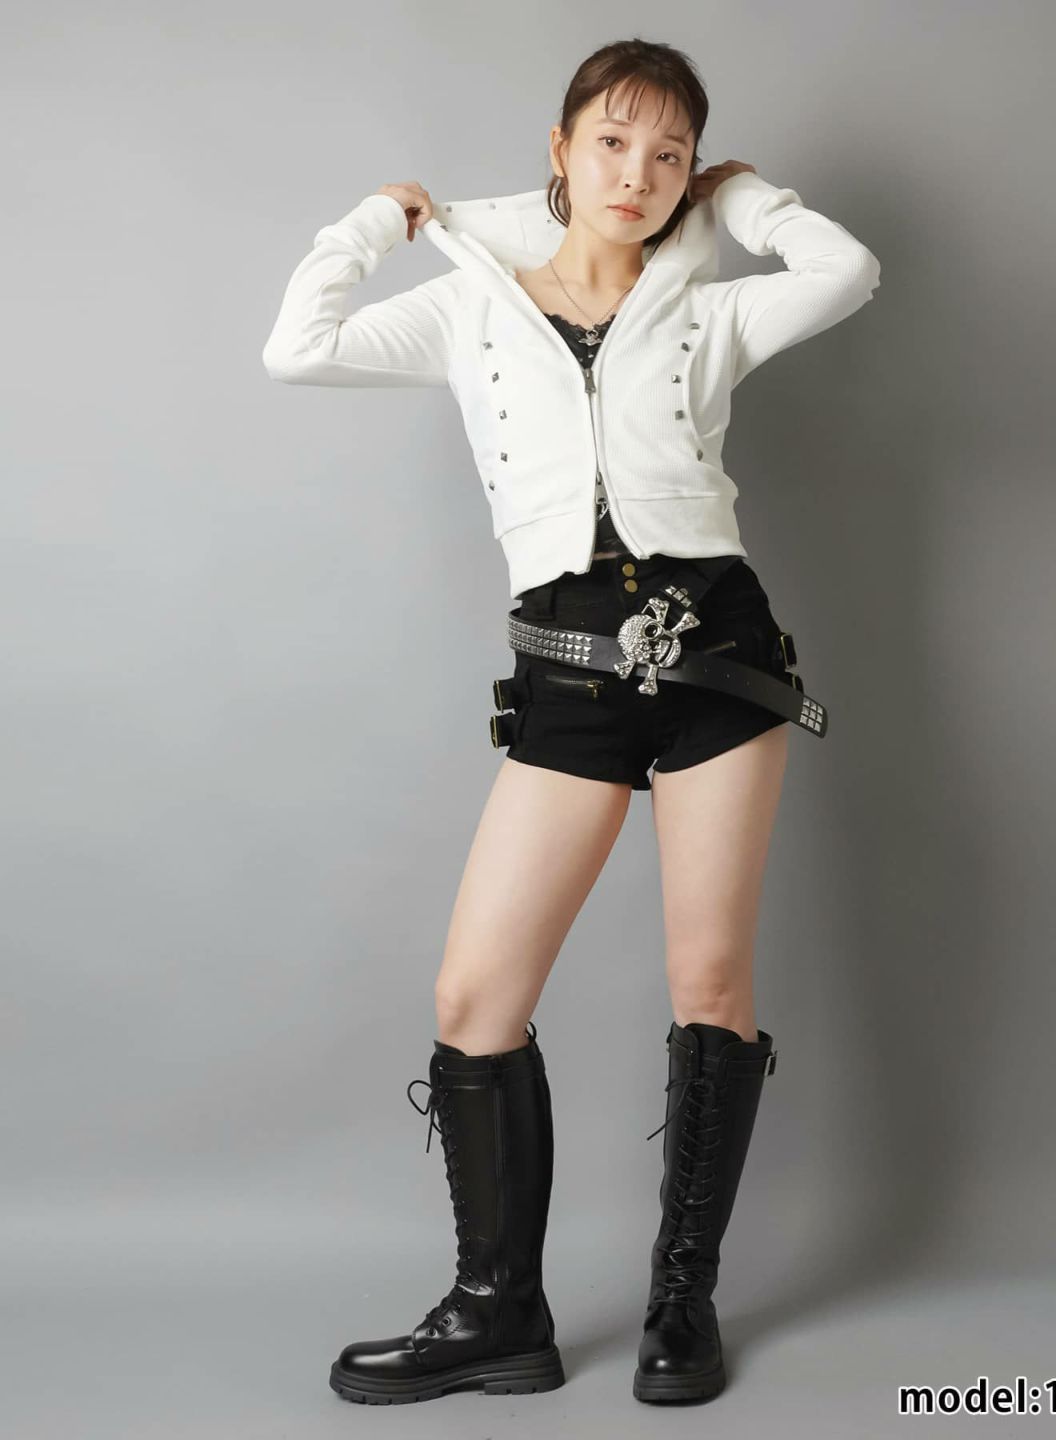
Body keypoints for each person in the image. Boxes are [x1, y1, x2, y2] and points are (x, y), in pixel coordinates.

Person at [263, 37, 880, 1408]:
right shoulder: (469, 307)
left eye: (670, 155)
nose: (637, 174)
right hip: (566, 677)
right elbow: (297, 348)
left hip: (717, 662)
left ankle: (682, 1303)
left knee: (710, 985)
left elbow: (846, 271)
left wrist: (745, 199)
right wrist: (379, 223)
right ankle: (500, 1313)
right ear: (559, 148)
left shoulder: (707, 308)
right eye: (612, 141)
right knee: (474, 999)